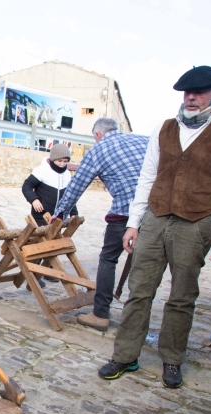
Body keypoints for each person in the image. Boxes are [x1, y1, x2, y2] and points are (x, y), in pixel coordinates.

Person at [98, 66, 211, 389]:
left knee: (182, 296)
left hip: (195, 224)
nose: (192, 98)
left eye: (199, 92)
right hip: (155, 219)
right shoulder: (164, 128)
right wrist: (133, 224)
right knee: (138, 290)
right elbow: (146, 177)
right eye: (187, 93)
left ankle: (172, 359)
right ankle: (125, 355)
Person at [49, 118, 149, 331]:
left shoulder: (98, 150)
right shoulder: (144, 140)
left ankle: (100, 314)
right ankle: (139, 320)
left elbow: (77, 185)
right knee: (148, 264)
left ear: (98, 135)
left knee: (108, 259)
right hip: (157, 212)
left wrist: (60, 213)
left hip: (125, 212)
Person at [22, 143, 77, 286]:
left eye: (65, 161)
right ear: (53, 159)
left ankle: (48, 270)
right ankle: (34, 274)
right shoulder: (42, 171)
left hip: (57, 217)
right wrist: (33, 200)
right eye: (59, 161)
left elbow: (69, 196)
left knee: (54, 243)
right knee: (42, 243)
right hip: (41, 215)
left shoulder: (66, 174)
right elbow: (26, 186)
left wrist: (74, 212)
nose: (62, 164)